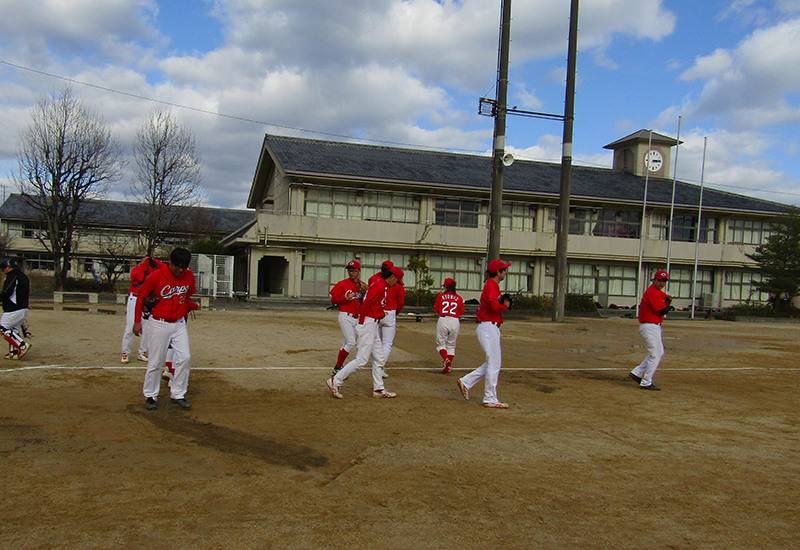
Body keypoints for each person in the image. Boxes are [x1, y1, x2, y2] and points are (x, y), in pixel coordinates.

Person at [133, 248, 199, 410]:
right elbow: (141, 295)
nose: (180, 270)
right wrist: (137, 321)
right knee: (155, 361)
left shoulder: (188, 276)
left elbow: (186, 297)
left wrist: (193, 306)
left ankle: (178, 393)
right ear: (170, 261)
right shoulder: (157, 275)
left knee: (185, 357)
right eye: (178, 266)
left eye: (184, 266)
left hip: (178, 323)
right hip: (158, 323)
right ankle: (150, 395)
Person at [326, 266, 404, 400]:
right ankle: (335, 381)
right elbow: (367, 302)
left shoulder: (378, 282)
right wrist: (362, 323)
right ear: (391, 277)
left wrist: (378, 313)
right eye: (397, 281)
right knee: (361, 360)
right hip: (368, 324)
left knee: (379, 357)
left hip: (371, 323)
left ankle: (378, 389)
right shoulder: (380, 285)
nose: (397, 284)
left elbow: (372, 303)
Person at [457, 259, 512, 408]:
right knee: (494, 364)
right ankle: (490, 398)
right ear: (498, 272)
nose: (506, 272)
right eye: (504, 270)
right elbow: (494, 306)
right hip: (488, 327)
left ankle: (466, 382)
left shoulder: (492, 285)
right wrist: (505, 306)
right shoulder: (491, 285)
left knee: (492, 363)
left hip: (490, 326)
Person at [629, 270, 672, 391]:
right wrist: (668, 306)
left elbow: (663, 303)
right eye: (659, 280)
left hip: (655, 326)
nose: (661, 283)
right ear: (654, 280)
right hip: (649, 326)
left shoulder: (658, 293)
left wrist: (666, 302)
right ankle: (646, 382)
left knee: (659, 352)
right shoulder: (652, 292)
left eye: (664, 281)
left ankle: (637, 372)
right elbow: (661, 311)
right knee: (655, 354)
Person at [121, 256, 166, 364]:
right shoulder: (137, 269)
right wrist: (143, 265)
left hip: (146, 301)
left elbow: (164, 268)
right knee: (131, 326)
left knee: (147, 327)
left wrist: (154, 260)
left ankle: (142, 351)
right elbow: (139, 278)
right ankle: (125, 352)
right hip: (135, 298)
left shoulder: (154, 273)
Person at [368, 260, 406, 378]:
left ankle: (377, 366)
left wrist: (381, 271)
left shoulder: (375, 280)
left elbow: (370, 279)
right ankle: (380, 367)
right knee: (387, 344)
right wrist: (397, 313)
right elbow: (401, 302)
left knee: (377, 343)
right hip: (389, 312)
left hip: (377, 312)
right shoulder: (396, 284)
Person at [329, 260, 368, 375]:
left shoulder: (363, 285)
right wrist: (345, 299)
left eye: (354, 271)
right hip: (345, 316)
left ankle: (339, 367)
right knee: (351, 342)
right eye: (349, 271)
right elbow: (333, 300)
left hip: (358, 317)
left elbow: (366, 302)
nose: (351, 273)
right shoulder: (342, 284)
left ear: (359, 271)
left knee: (346, 343)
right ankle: (338, 366)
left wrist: (366, 294)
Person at [0, 258, 32, 360]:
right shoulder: (24, 277)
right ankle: (14, 352)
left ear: (8, 267)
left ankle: (22, 345)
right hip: (23, 308)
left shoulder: (12, 276)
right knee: (13, 330)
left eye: (3, 268)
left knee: (3, 329)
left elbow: (7, 292)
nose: (3, 271)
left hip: (13, 309)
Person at [434, 278, 464, 373]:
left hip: (444, 319)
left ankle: (446, 359)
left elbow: (436, 309)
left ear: (446, 286)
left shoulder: (440, 296)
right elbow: (461, 311)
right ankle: (449, 365)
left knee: (441, 344)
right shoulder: (459, 298)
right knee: (451, 344)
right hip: (455, 320)